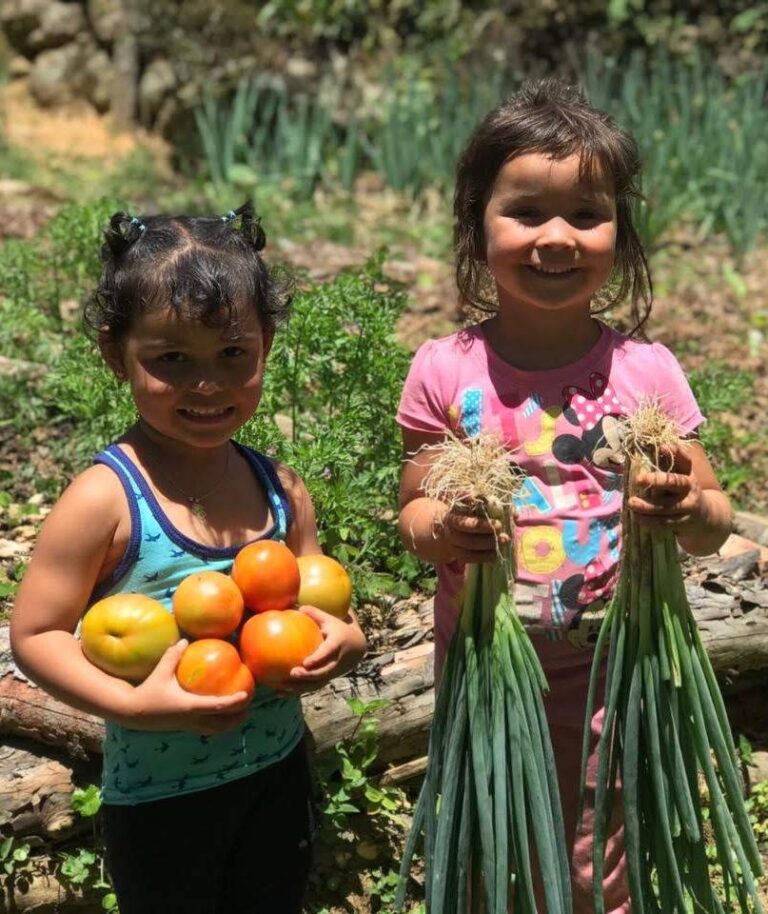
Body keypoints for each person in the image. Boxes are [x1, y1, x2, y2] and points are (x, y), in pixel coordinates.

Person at [396, 78, 733, 913]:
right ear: (478, 221)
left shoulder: (645, 373)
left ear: (620, 231)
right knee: (488, 832)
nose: (556, 237)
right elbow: (412, 513)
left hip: (616, 667)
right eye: (526, 212)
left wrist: (688, 507)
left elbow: (714, 522)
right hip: (487, 664)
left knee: (595, 848)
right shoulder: (447, 370)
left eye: (586, 214)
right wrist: (447, 524)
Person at [10, 202, 367, 914]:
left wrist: (347, 638)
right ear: (117, 356)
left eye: (232, 354)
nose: (206, 384)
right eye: (171, 360)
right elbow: (35, 635)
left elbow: (316, 599)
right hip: (158, 801)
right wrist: (138, 708)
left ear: (266, 344)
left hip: (277, 773)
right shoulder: (105, 500)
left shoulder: (282, 490)